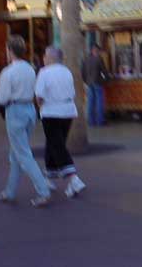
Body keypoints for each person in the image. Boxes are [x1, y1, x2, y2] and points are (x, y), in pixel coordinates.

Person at [0, 35, 51, 207]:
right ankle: (10, 191)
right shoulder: (30, 69)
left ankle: (43, 189)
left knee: (23, 154)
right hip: (29, 110)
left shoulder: (8, 72)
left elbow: (1, 98)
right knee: (16, 153)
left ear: (10, 51)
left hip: (15, 110)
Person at [35, 46, 86, 198]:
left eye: (44, 55)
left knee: (57, 146)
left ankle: (73, 179)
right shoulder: (67, 71)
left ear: (50, 57)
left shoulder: (44, 72)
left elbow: (39, 96)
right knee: (54, 143)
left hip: (51, 112)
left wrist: (40, 107)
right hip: (68, 111)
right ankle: (49, 177)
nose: (43, 58)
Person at [82, 43, 107, 126]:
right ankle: (100, 121)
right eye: (98, 51)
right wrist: (106, 79)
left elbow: (83, 72)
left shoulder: (86, 59)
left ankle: (91, 121)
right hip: (98, 82)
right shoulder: (99, 59)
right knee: (99, 102)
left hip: (89, 83)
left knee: (90, 102)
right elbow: (104, 71)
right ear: (96, 50)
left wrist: (86, 81)